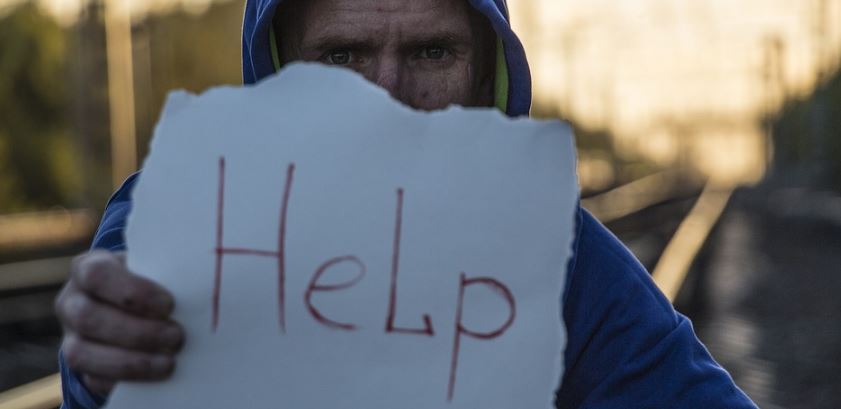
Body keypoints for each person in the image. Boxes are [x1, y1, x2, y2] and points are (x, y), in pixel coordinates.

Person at [54, 0, 758, 408]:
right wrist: (101, 361)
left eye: (429, 52)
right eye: (341, 57)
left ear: (484, 71)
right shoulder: (189, 213)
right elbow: (115, 326)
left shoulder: (555, 253)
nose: (385, 94)